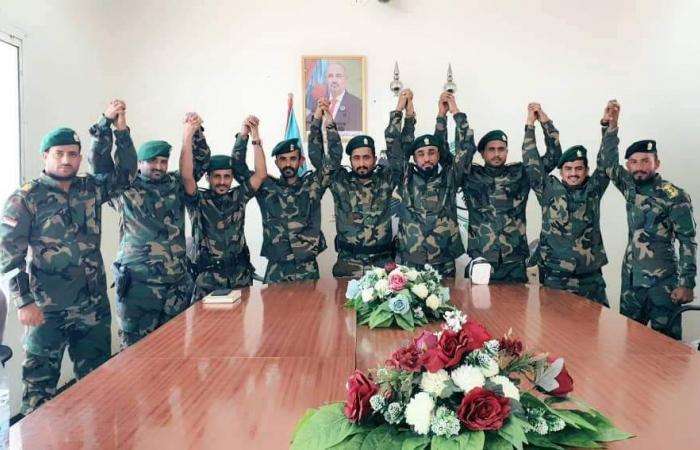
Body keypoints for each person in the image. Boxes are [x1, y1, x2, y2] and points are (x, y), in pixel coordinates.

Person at [0, 99, 137, 413]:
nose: (66, 160)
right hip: (46, 310)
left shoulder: (89, 188)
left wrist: (116, 129)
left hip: (92, 307)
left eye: (72, 154)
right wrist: (24, 302)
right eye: (59, 153)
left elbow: (126, 176)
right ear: (45, 156)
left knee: (100, 385)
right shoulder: (26, 197)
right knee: (39, 391)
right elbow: (9, 255)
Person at [106, 112, 209, 347]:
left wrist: (194, 133)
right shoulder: (126, 189)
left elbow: (197, 166)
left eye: (163, 161)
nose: (159, 167)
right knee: (134, 352)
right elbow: (108, 166)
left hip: (175, 284)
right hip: (138, 287)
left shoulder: (175, 184)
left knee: (173, 348)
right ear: (140, 163)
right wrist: (118, 128)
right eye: (152, 161)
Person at [603, 100, 697, 339]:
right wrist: (611, 126)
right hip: (632, 283)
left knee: (667, 348)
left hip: (663, 285)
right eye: (634, 162)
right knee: (631, 343)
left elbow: (687, 240)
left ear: (657, 163)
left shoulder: (674, 196)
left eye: (646, 161)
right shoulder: (630, 187)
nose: (640, 167)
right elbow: (608, 163)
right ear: (628, 165)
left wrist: (687, 283)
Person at [440, 102, 562, 282]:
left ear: (506, 151)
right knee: (476, 302)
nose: (497, 154)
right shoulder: (469, 175)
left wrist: (540, 122)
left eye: (501, 149)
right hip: (480, 260)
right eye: (491, 149)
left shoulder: (521, 173)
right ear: (482, 153)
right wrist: (454, 114)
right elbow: (445, 157)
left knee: (517, 301)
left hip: (515, 262)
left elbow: (554, 156)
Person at [308, 92, 407, 277]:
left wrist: (398, 111)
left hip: (382, 269)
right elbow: (320, 159)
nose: (362, 163)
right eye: (357, 158)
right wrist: (321, 120)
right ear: (351, 160)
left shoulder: (386, 180)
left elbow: (396, 155)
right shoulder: (339, 181)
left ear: (375, 159)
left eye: (366, 157)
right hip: (347, 267)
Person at [523, 102, 612, 305]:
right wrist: (532, 124)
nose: (573, 173)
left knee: (597, 325)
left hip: (590, 279)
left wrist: (608, 126)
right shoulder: (548, 189)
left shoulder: (594, 189)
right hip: (555, 278)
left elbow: (606, 161)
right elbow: (531, 161)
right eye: (568, 169)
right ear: (561, 172)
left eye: (579, 168)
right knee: (555, 326)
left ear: (586, 171)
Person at [238, 122, 339, 283]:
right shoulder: (266, 187)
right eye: (283, 159)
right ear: (276, 162)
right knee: (273, 302)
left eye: (293, 159)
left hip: (307, 268)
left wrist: (320, 121)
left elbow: (332, 163)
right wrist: (246, 136)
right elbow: (238, 169)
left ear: (301, 161)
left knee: (311, 301)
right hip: (276, 269)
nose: (288, 164)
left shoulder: (313, 185)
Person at [181, 115, 267, 300]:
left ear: (232, 178)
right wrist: (188, 135)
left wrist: (254, 135)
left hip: (239, 276)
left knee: (241, 320)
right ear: (208, 177)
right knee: (207, 321)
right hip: (208, 280)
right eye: (217, 176)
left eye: (227, 177)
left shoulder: (238, 196)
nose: (222, 182)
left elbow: (260, 175)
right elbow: (187, 176)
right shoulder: (198, 199)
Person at [392, 92, 474, 277]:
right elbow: (394, 146)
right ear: (414, 158)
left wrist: (452, 112)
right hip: (410, 264)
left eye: (431, 152)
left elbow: (467, 148)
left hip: (444, 264)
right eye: (421, 154)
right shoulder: (405, 177)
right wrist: (402, 111)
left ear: (438, 155)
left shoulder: (450, 177)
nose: (427, 158)